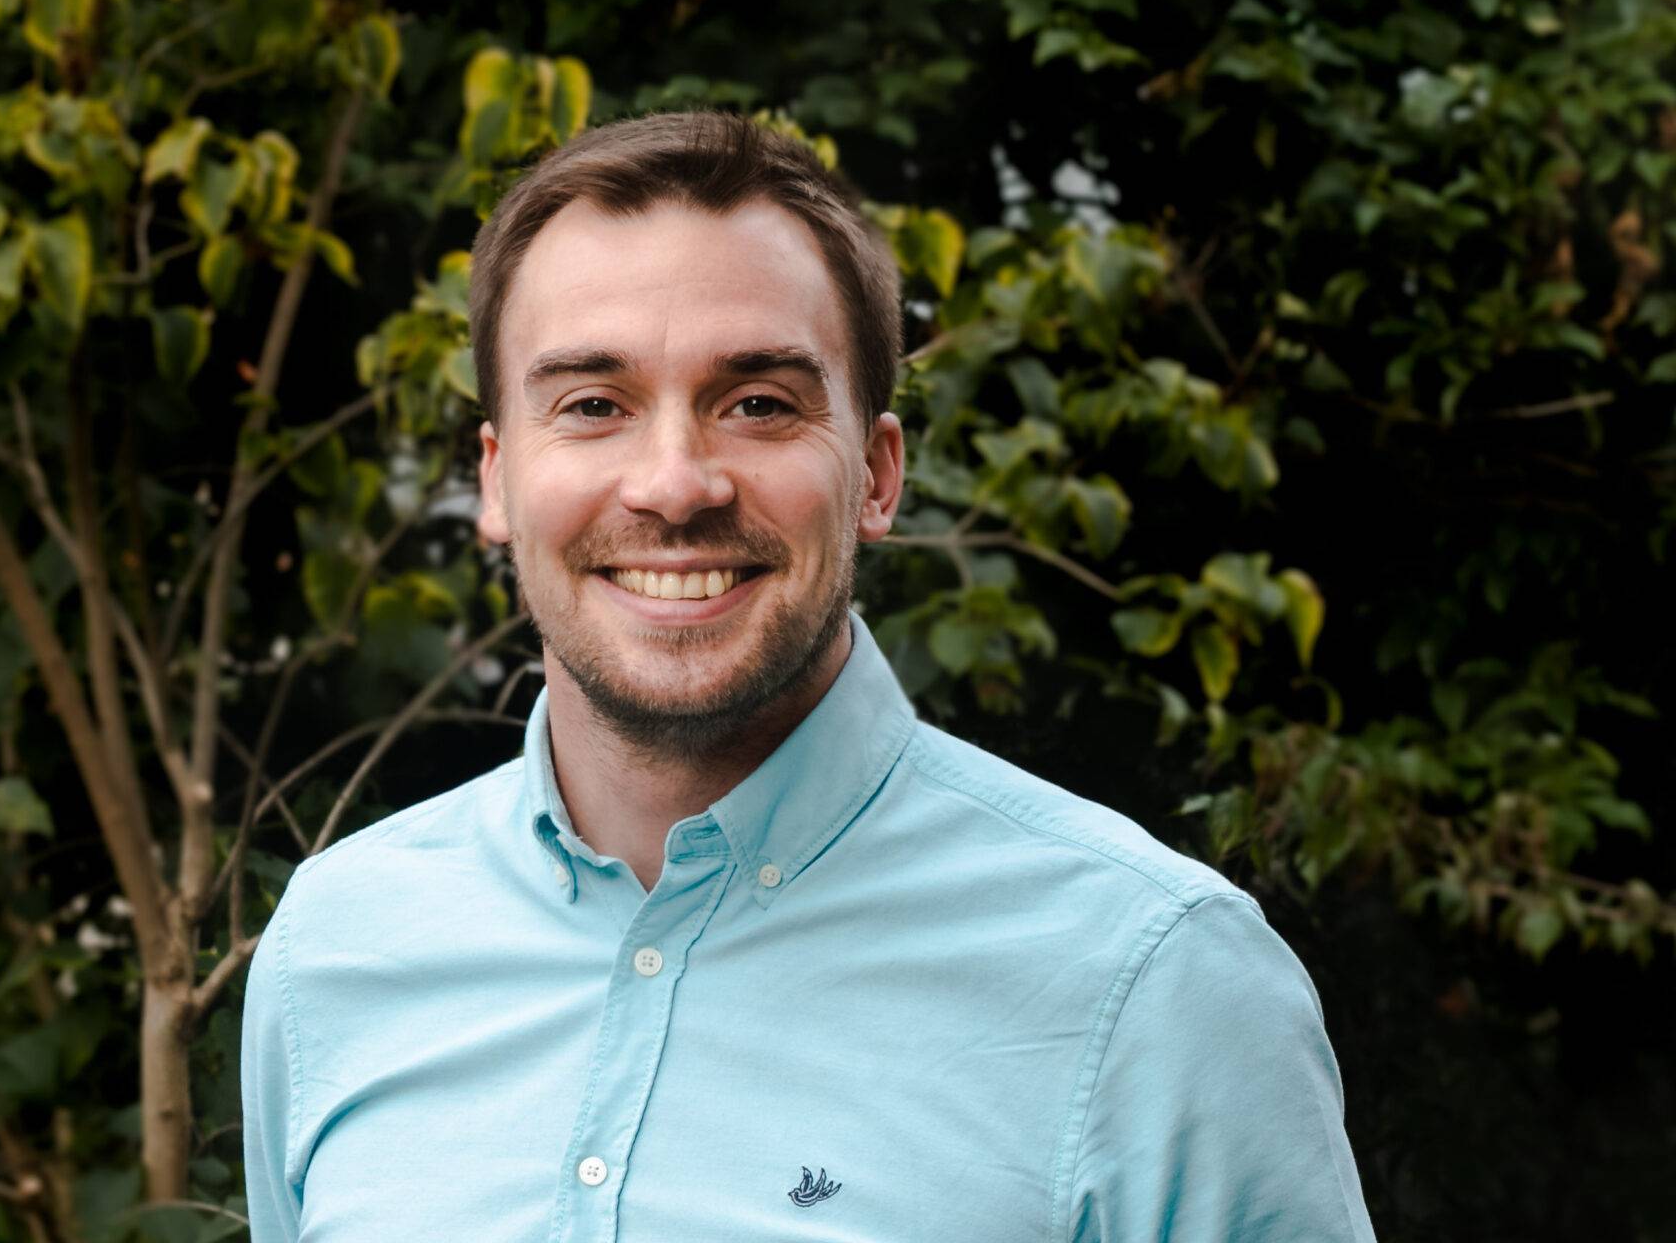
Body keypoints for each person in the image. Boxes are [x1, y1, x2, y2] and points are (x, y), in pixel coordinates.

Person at [241, 111, 1375, 1241]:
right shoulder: (335, 947)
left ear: (876, 475)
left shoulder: (1155, 982)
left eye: (759, 404)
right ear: (496, 479)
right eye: (592, 406)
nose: (674, 486)